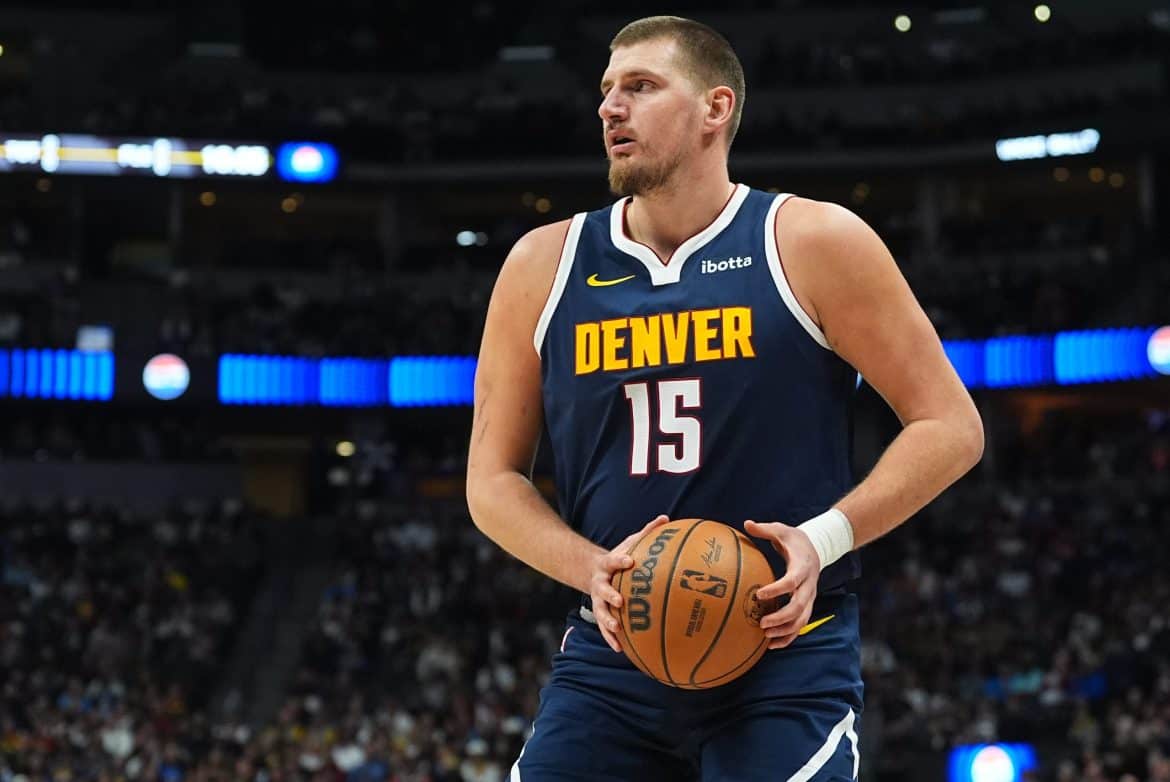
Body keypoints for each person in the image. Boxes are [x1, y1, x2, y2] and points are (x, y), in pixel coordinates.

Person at [466, 15, 983, 781]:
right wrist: (590, 568)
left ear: (716, 108)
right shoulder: (543, 265)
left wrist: (823, 539)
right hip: (616, 654)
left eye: (642, 86)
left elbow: (950, 425)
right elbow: (491, 480)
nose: (610, 107)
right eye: (607, 90)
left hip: (783, 650)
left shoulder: (811, 241)